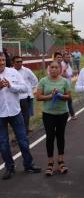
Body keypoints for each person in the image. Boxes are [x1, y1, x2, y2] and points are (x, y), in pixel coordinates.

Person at [0, 52, 41, 180]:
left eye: (2, 60)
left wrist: (11, 86)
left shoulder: (13, 73)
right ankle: (9, 167)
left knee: (23, 140)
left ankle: (28, 164)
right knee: (3, 143)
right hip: (0, 115)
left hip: (15, 112)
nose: (1, 62)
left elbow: (24, 88)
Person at [36, 61, 71, 176]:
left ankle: (61, 161)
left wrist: (60, 96)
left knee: (60, 136)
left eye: (56, 67)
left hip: (62, 113)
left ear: (60, 69)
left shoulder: (65, 81)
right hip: (48, 114)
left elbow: (68, 96)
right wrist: (50, 96)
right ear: (49, 68)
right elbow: (38, 97)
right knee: (50, 137)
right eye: (52, 67)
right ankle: (50, 163)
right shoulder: (43, 81)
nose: (54, 69)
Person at [12, 56, 38, 133]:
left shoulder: (27, 71)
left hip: (25, 96)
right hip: (15, 97)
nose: (20, 63)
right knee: (16, 115)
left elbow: (35, 80)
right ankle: (19, 131)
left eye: (21, 61)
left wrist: (29, 90)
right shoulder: (10, 72)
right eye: (17, 62)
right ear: (13, 63)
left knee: (26, 114)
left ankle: (25, 129)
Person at [62, 52, 76, 120]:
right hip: (63, 86)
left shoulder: (68, 64)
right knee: (68, 101)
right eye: (67, 57)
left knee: (68, 101)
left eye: (69, 57)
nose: (68, 58)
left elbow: (70, 74)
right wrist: (67, 74)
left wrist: (72, 73)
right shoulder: (62, 64)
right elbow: (62, 75)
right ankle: (71, 115)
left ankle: (70, 115)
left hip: (68, 86)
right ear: (63, 58)